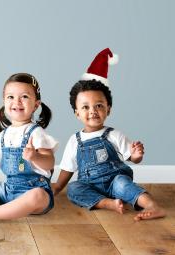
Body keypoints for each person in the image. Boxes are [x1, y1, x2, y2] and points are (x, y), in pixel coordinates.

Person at [52, 48, 165, 221]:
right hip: (90, 185)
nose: (93, 111)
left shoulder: (114, 135)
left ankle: (152, 205)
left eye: (99, 105)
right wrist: (57, 188)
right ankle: (107, 203)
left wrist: (136, 155)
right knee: (74, 188)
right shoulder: (75, 140)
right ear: (77, 113)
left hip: (115, 182)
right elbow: (67, 168)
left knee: (123, 184)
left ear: (108, 109)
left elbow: (132, 158)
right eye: (85, 107)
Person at [0, 73, 57, 227]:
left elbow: (50, 162)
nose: (17, 101)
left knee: (38, 195)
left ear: (36, 104)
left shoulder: (36, 132)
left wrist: (35, 157)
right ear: (4, 101)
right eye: (10, 97)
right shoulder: (4, 134)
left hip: (33, 190)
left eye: (24, 97)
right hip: (10, 190)